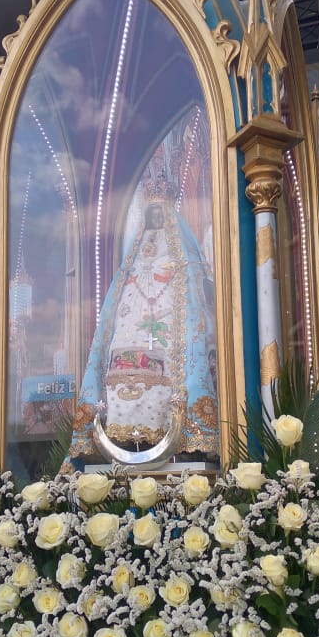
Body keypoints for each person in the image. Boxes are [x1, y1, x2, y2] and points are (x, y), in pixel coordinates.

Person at [69, 187, 218, 463]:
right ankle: (124, 432)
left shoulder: (180, 261)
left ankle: (177, 432)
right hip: (134, 319)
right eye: (152, 215)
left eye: (161, 215)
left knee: (172, 365)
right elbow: (122, 295)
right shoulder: (134, 260)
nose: (156, 221)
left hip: (166, 323)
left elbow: (192, 305)